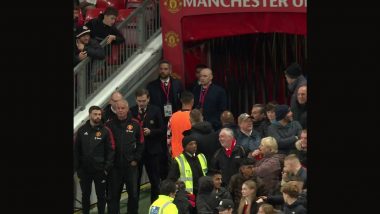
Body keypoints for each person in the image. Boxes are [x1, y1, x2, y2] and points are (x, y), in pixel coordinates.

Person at [74, 105, 115, 214]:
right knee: (85, 196)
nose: (98, 117)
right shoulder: (82, 130)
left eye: (99, 114)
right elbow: (76, 151)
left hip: (100, 170)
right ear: (90, 115)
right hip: (84, 171)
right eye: (95, 114)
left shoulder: (106, 131)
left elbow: (111, 150)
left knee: (101, 196)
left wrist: (106, 168)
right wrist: (78, 169)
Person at [105, 99, 144, 214]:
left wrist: (136, 159)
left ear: (127, 109)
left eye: (123, 108)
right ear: (115, 110)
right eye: (118, 108)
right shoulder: (108, 125)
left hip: (130, 166)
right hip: (115, 167)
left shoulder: (135, 123)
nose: (120, 110)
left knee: (133, 194)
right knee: (113, 196)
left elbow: (141, 142)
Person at [147, 60, 184, 178]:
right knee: (162, 150)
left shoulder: (178, 84)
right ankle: (164, 176)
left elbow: (182, 101)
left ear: (170, 70)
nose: (163, 71)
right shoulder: (151, 86)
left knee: (176, 147)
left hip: (175, 121)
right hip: (160, 122)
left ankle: (177, 174)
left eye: (165, 69)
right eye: (161, 69)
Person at [130, 89, 164, 203]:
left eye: (144, 100)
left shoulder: (156, 110)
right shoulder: (131, 111)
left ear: (148, 99)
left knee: (155, 181)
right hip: (137, 152)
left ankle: (154, 207)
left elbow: (163, 129)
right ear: (136, 100)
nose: (142, 103)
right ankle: (134, 208)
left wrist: (151, 131)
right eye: (139, 101)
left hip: (152, 151)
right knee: (135, 182)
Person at [167, 91, 194, 158]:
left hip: (176, 153)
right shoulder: (194, 116)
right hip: (191, 154)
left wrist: (170, 149)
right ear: (192, 101)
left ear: (181, 101)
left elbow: (168, 136)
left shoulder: (172, 116)